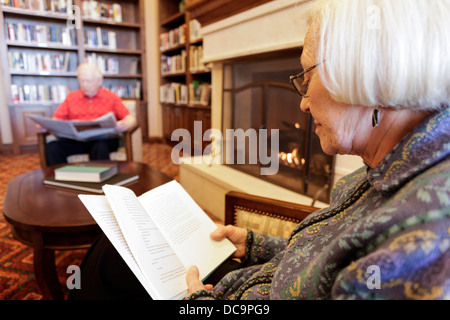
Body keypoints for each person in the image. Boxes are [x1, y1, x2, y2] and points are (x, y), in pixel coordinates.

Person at [71, 0, 449, 300]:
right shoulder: (390, 165)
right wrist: (254, 244)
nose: (301, 104)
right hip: (253, 277)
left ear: (365, 72)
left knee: (107, 267)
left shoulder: (423, 240)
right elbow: (324, 259)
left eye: (307, 76)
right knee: (114, 249)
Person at [44, 63, 137, 166]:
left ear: (99, 81)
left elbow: (130, 118)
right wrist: (46, 126)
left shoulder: (111, 97)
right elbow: (56, 120)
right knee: (52, 148)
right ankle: (59, 180)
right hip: (77, 141)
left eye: (89, 81)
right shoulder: (71, 97)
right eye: (81, 81)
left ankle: (100, 180)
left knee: (100, 147)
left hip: (103, 141)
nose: (84, 85)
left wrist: (127, 123)